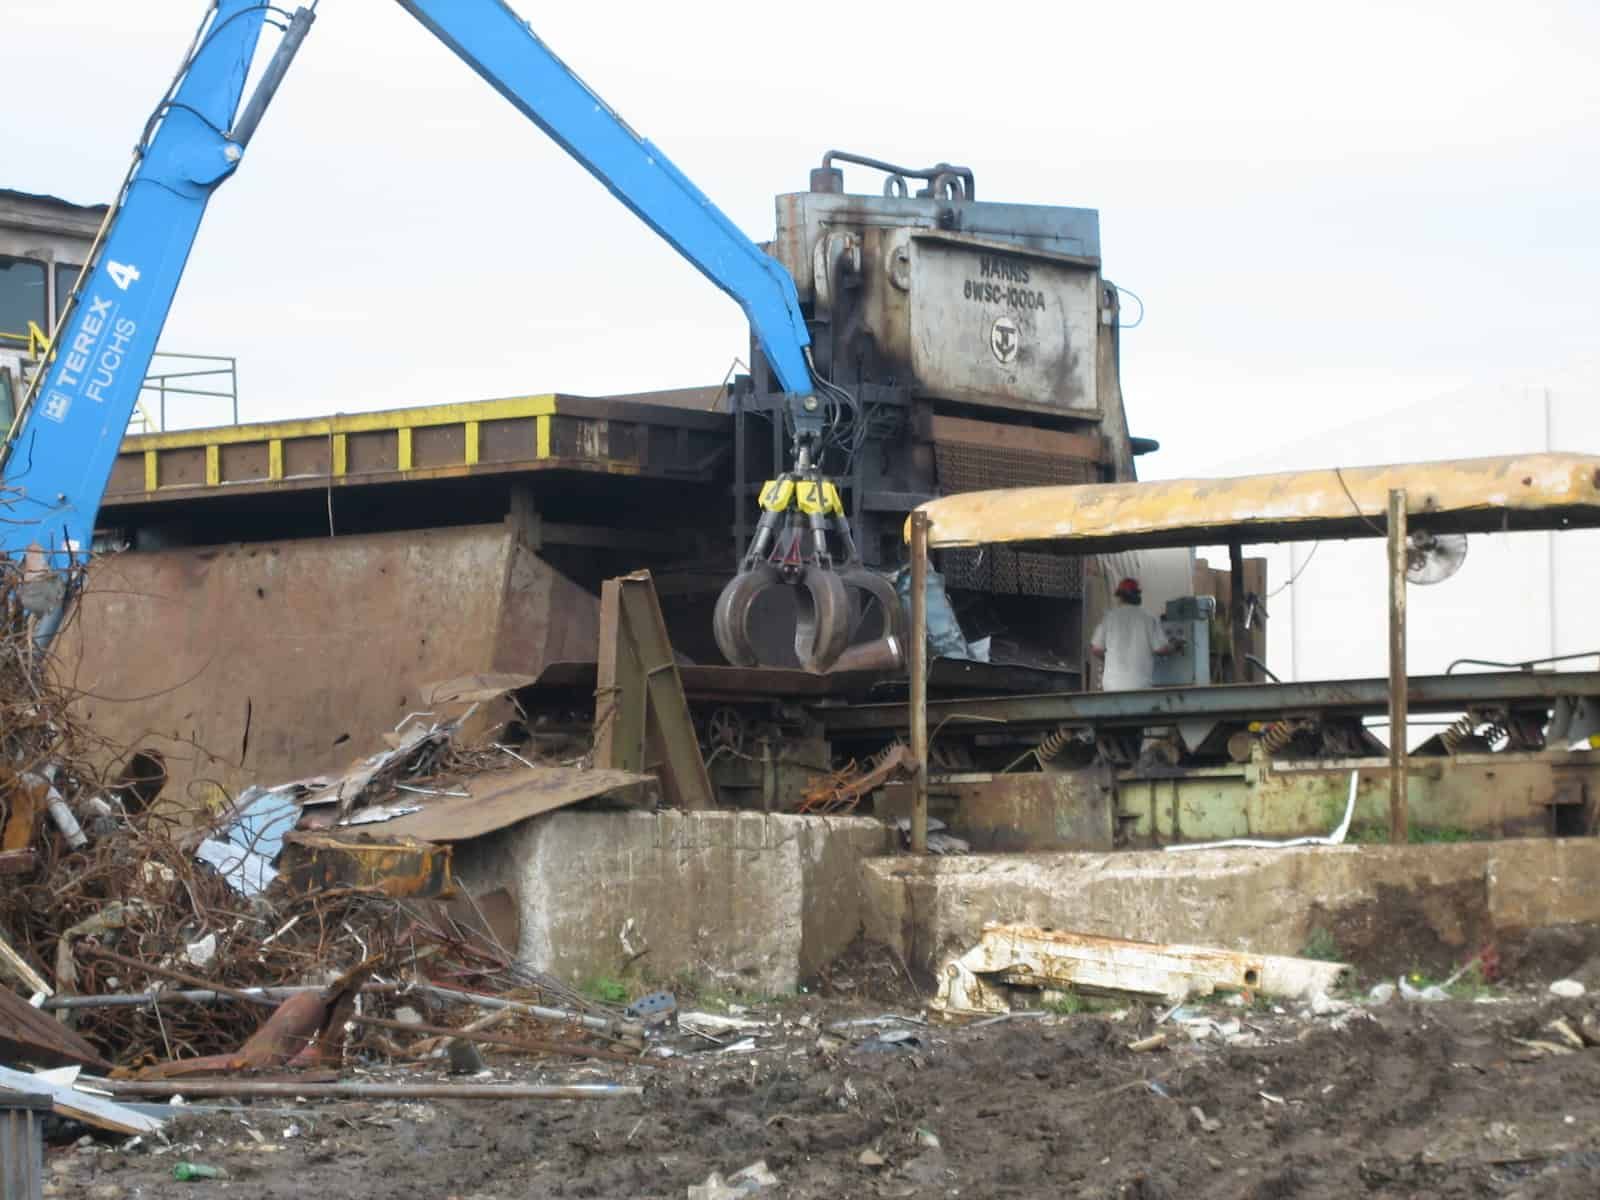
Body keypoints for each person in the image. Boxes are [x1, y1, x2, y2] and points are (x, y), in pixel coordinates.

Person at [1089, 577, 1181, 691]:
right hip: (1139, 686)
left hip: (1111, 686)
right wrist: (1175, 646)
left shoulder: (1109, 617)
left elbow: (1096, 649)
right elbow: (1161, 649)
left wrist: (1109, 659)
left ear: (1120, 597)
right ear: (1138, 596)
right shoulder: (1148, 618)